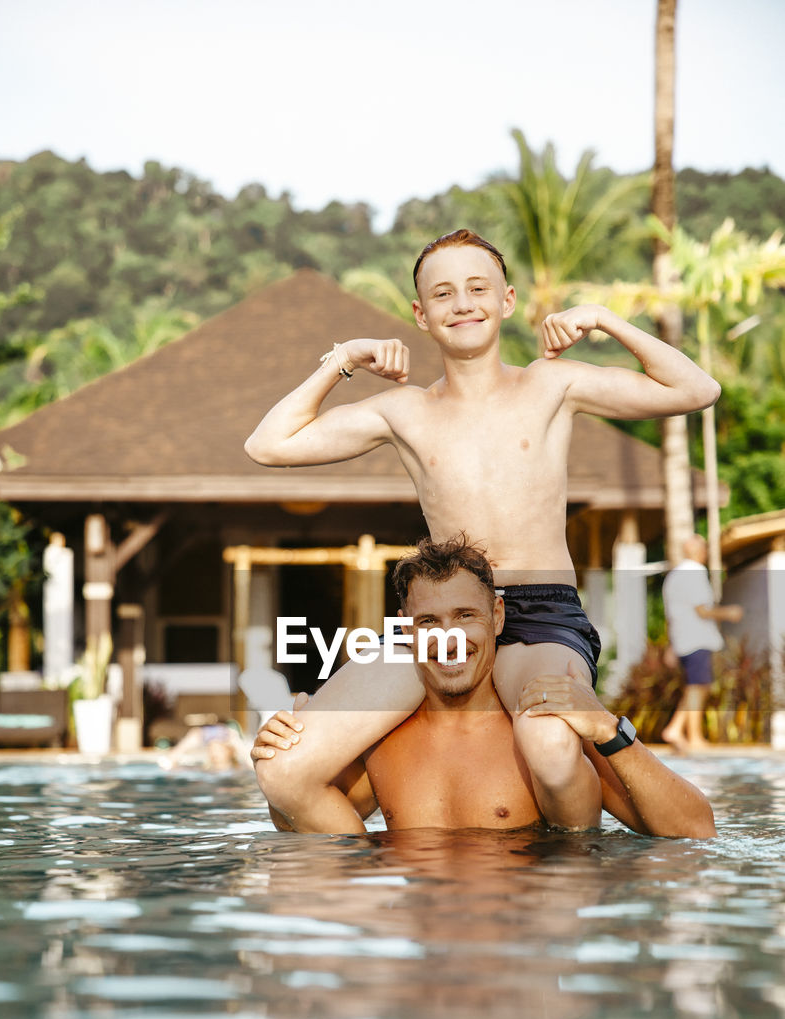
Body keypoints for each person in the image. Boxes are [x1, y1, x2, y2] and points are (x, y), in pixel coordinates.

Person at [245, 230, 720, 833]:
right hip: (446, 618)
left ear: (508, 300)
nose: (462, 303)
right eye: (442, 293)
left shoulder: (553, 385)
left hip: (541, 612)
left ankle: (569, 872)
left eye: (477, 288)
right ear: (421, 314)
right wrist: (346, 359)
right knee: (283, 767)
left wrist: (605, 321)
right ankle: (363, 881)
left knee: (549, 745)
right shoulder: (405, 411)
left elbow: (697, 389)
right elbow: (268, 445)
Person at [252, 538, 715, 840]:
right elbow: (301, 828)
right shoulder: (383, 743)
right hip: (418, 960)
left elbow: (696, 832)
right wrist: (276, 757)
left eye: (465, 617)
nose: (449, 638)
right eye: (429, 622)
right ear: (403, 633)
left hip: (519, 948)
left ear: (497, 617)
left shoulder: (537, 728)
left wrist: (609, 730)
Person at [661, 534, 743, 751]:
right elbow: (702, 610)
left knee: (697, 686)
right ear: (700, 551)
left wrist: (671, 644)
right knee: (697, 687)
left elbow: (671, 615)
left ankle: (675, 728)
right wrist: (729, 612)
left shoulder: (673, 577)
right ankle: (694, 737)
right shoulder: (695, 572)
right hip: (696, 638)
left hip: (683, 638)